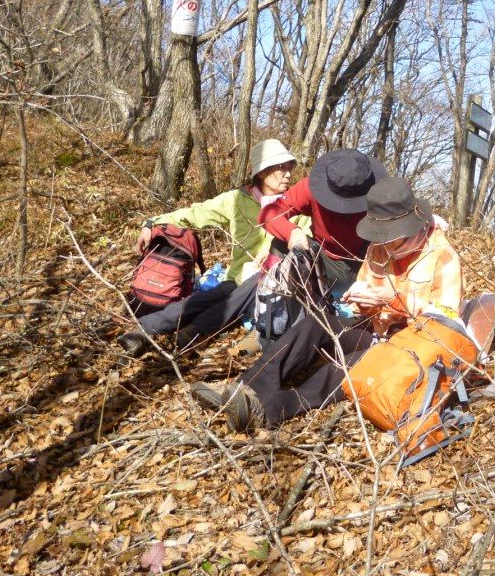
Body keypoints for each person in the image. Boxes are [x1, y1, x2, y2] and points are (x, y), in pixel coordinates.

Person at [191, 177, 465, 432]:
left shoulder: (442, 256)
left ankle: (268, 409)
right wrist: (362, 302)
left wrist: (392, 300)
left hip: (409, 347)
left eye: (395, 239)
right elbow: (366, 297)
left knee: (348, 366)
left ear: (413, 227)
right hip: (373, 328)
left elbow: (445, 321)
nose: (388, 247)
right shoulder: (378, 248)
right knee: (314, 325)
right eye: (383, 238)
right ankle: (244, 389)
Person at [118, 139, 297, 357]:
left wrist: (272, 252)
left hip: (276, 284)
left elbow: (304, 243)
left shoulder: (295, 203)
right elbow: (196, 213)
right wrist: (152, 222)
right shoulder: (236, 201)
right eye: (281, 168)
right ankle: (142, 331)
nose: (288, 174)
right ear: (261, 172)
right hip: (238, 278)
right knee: (209, 298)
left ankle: (190, 332)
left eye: (290, 168)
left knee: (257, 281)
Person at [259, 149, 386, 295]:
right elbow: (269, 213)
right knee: (280, 245)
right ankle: (277, 305)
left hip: (367, 265)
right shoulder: (311, 188)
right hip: (324, 265)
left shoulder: (383, 195)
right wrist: (291, 231)